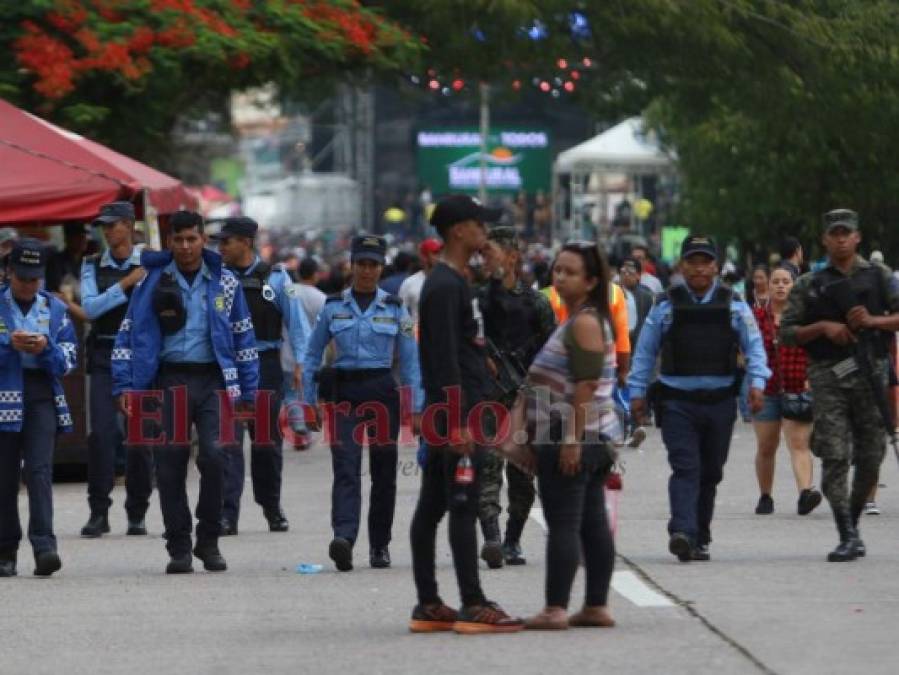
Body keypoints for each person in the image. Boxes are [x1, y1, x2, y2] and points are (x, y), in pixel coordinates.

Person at [112, 210, 258, 574]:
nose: (186, 246)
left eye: (192, 239)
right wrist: (125, 384)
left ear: (202, 240)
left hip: (214, 381)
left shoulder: (226, 282)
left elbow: (243, 338)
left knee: (215, 455)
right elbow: (129, 333)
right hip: (169, 380)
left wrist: (250, 393)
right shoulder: (150, 281)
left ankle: (208, 540)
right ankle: (178, 545)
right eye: (178, 240)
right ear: (170, 241)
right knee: (171, 462)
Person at [409, 194, 523, 634]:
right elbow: (440, 360)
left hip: (461, 409)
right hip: (456, 417)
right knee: (460, 505)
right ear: (458, 230)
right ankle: (471, 603)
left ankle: (429, 603)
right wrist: (457, 421)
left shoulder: (457, 280)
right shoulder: (443, 286)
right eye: (479, 224)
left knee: (435, 504)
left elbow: (463, 344)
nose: (484, 232)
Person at [629, 235, 770, 562]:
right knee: (685, 467)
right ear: (682, 266)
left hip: (720, 402)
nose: (699, 269)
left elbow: (755, 348)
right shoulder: (665, 305)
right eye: (692, 261)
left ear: (716, 267)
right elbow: (645, 353)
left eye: (705, 261)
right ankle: (682, 530)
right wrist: (637, 393)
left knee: (711, 472)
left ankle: (699, 534)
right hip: (677, 402)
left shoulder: (734, 304)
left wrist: (758, 383)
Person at [780, 209, 899, 562]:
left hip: (871, 374)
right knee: (835, 456)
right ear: (825, 239)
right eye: (835, 233)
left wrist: (874, 321)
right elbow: (786, 333)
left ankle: (853, 522)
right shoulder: (809, 284)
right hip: (828, 375)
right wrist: (823, 328)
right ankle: (846, 532)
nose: (841, 238)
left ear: (858, 237)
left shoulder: (879, 277)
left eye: (847, 232)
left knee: (871, 456)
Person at [303, 234, 423, 572]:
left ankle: (379, 546)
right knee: (346, 468)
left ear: (382, 268)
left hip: (382, 391)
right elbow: (312, 355)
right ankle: (344, 537)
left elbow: (411, 362)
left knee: (384, 473)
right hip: (344, 394)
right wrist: (308, 401)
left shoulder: (396, 308)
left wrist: (416, 407)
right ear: (351, 266)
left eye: (373, 264)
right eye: (361, 264)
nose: (367, 271)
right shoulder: (332, 307)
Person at [521, 241, 618, 630]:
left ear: (592, 280)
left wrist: (571, 439)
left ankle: (555, 608)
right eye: (557, 270)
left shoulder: (584, 322)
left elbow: (586, 384)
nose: (559, 277)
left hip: (575, 434)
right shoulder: (579, 317)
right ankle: (595, 605)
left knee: (563, 522)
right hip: (588, 435)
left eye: (570, 272)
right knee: (592, 523)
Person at [214, 216, 311, 535]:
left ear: (246, 242)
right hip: (227, 366)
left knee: (266, 443)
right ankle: (228, 513)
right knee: (228, 442)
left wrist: (302, 364)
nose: (221, 247)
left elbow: (297, 325)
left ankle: (271, 506)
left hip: (264, 364)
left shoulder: (277, 279)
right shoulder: (217, 278)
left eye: (227, 241)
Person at [477, 226, 556, 568]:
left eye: (492, 254)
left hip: (527, 397)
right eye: (484, 255)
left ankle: (512, 539)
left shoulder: (535, 302)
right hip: (488, 398)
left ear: (512, 258)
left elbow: (552, 353)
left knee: (522, 475)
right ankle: (492, 537)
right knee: (488, 470)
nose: (486, 262)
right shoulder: (477, 301)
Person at [0, 239, 78, 577]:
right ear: (7, 272)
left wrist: (45, 349)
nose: (30, 286)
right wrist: (9, 346)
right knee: (4, 477)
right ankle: (5, 551)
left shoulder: (55, 309)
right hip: (4, 393)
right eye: (22, 278)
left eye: (35, 279)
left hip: (41, 395)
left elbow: (69, 360)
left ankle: (45, 546)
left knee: (40, 472)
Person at [79, 201, 154, 538]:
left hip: (140, 356)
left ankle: (137, 512)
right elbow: (91, 308)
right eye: (103, 226)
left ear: (129, 224)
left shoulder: (151, 261)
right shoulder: (92, 264)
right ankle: (99, 511)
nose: (107, 231)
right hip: (105, 353)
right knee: (101, 436)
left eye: (112, 225)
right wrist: (126, 284)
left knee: (139, 437)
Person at [751, 265, 822, 516]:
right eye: (776, 281)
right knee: (767, 445)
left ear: (794, 286)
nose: (781, 285)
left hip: (798, 386)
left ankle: (805, 493)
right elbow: (746, 350)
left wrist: (811, 380)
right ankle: (765, 495)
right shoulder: (756, 317)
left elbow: (816, 351)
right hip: (766, 389)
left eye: (786, 282)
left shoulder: (804, 317)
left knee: (799, 442)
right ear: (768, 286)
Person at [285, 256, 328, 450]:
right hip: (313, 355)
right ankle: (305, 431)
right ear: (315, 274)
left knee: (291, 394)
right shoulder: (320, 297)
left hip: (287, 352)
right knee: (310, 394)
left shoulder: (288, 292)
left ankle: (298, 429)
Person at [398, 238, 442, 324]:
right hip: (418, 335)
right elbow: (399, 314)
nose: (439, 257)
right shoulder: (409, 283)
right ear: (424, 257)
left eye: (440, 253)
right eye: (435, 253)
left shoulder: (449, 281)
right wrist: (409, 334)